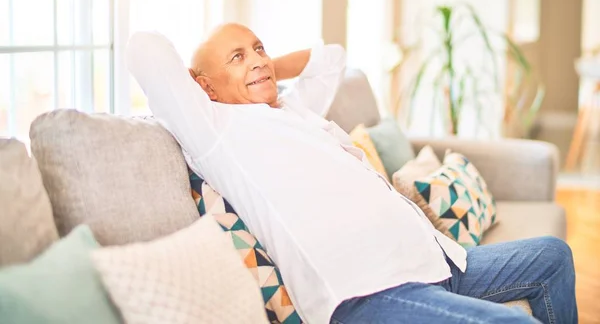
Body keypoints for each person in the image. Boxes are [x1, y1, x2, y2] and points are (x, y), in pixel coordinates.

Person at [126, 23, 577, 324]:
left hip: (435, 262)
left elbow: (331, 58)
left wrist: (261, 69)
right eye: (237, 57)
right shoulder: (215, 131)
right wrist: (206, 84)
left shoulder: (293, 109)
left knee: (554, 256)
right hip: (366, 294)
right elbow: (143, 49)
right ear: (202, 85)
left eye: (258, 47)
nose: (258, 60)